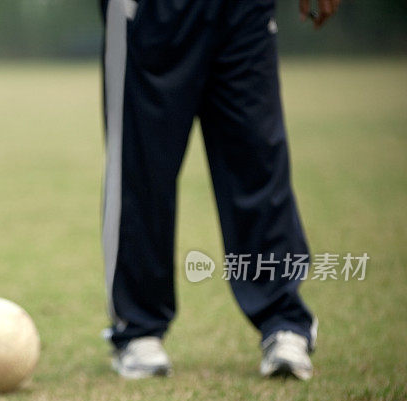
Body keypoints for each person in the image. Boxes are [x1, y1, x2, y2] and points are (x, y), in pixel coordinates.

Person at [100, 0, 339, 380]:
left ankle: (283, 320)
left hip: (244, 10)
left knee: (258, 157)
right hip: (151, 11)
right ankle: (139, 328)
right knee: (142, 167)